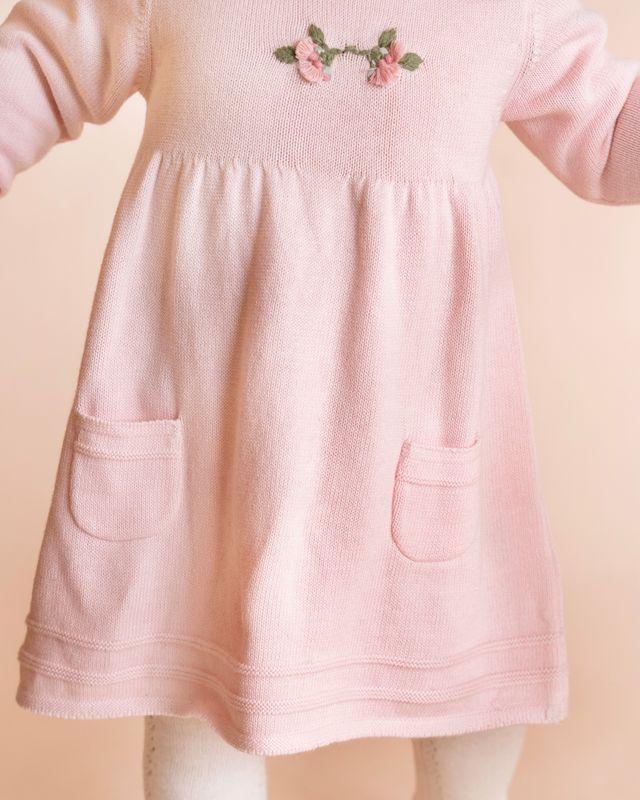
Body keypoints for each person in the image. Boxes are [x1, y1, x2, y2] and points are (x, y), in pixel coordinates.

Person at [2, 0, 638, 797]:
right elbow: (35, 71)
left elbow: (613, 134)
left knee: (469, 687)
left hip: (416, 439)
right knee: (201, 683)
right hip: (210, 449)